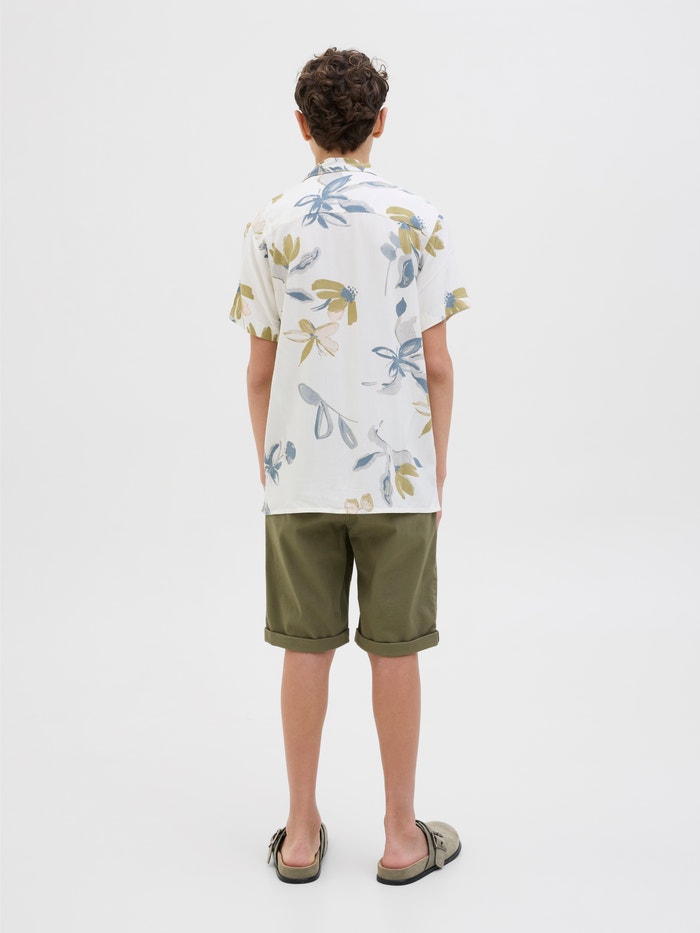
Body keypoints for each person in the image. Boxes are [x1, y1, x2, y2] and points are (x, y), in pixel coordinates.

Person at [228, 47, 470, 885]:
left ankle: (300, 834)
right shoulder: (420, 218)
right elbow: (438, 367)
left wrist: (273, 469)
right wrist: (436, 469)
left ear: (302, 126)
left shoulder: (269, 223)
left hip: (300, 474)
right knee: (395, 650)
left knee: (305, 647)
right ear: (381, 122)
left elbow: (259, 373)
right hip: (399, 473)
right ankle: (401, 837)